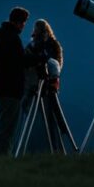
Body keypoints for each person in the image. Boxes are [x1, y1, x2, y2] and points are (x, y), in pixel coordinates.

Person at [0, 6, 30, 155]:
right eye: (24, 22)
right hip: (10, 89)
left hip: (1, 87)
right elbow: (19, 61)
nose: (24, 26)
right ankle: (1, 159)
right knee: (7, 128)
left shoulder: (3, 36)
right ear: (18, 22)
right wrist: (38, 59)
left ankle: (0, 157)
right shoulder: (11, 38)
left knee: (5, 126)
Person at [23, 19, 65, 150]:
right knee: (47, 119)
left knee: (49, 119)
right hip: (36, 84)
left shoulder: (47, 45)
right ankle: (53, 149)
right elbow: (58, 64)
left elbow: (55, 65)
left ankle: (55, 148)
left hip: (45, 86)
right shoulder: (41, 45)